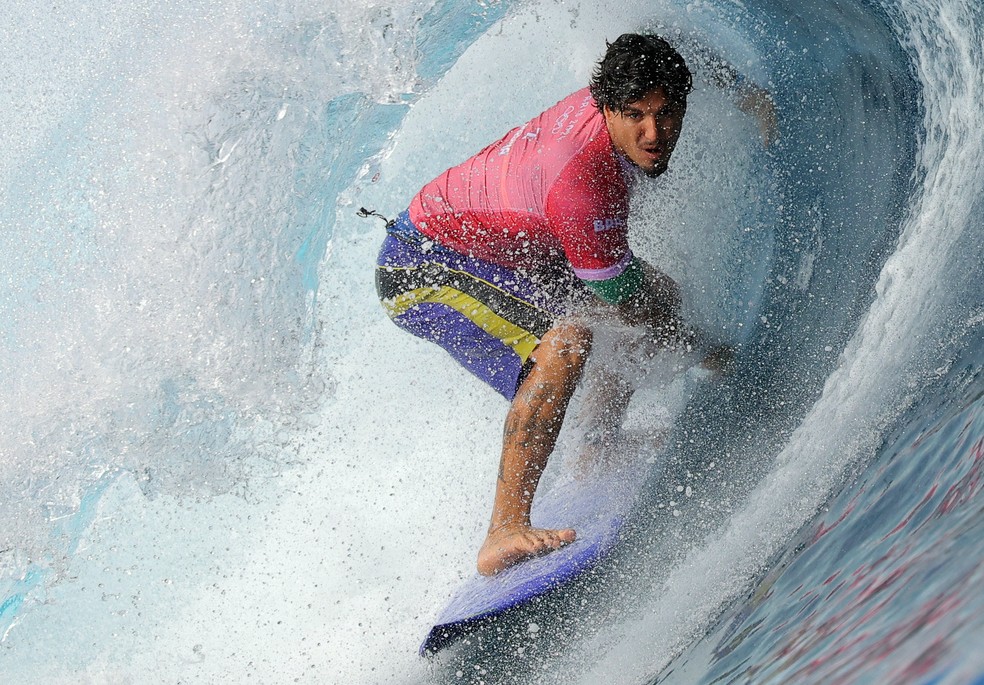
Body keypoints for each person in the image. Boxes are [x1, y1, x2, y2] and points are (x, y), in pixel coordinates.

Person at [375, 33, 775, 576]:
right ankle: (503, 531)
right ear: (606, 106)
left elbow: (674, 44)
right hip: (425, 265)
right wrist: (699, 348)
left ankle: (597, 445)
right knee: (570, 339)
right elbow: (629, 304)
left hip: (513, 248)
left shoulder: (620, 94)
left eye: (665, 113)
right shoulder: (583, 182)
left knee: (645, 299)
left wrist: (744, 92)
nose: (653, 133)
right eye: (635, 115)